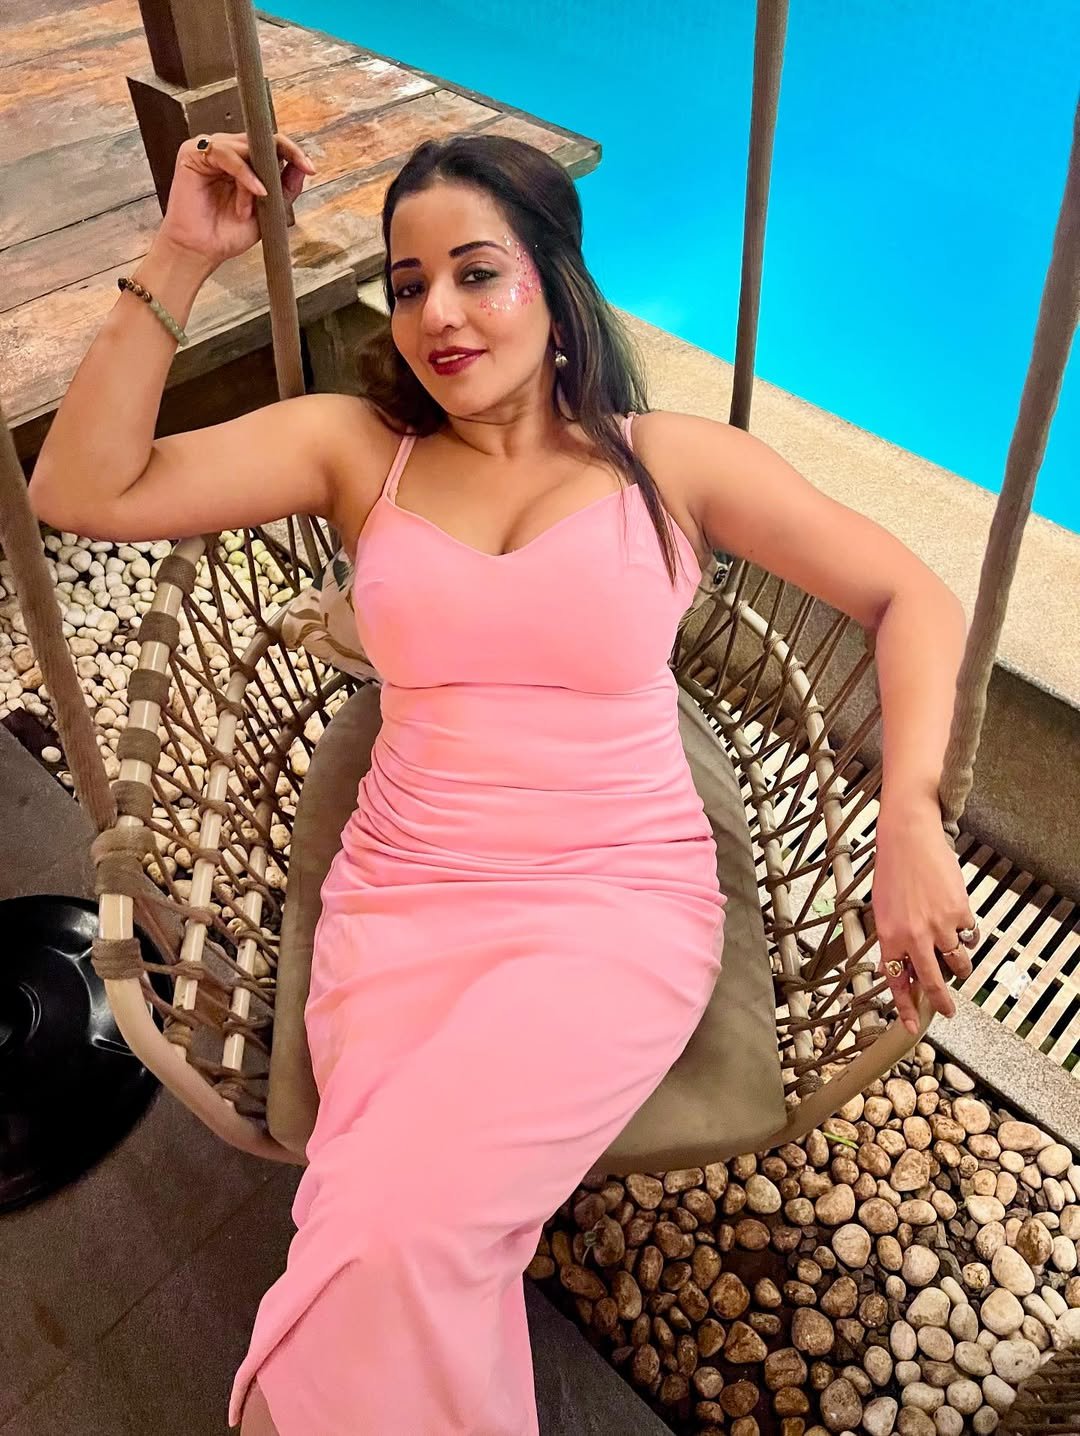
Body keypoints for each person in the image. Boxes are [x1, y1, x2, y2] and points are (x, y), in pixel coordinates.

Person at [29, 129, 979, 1436]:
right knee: (403, 1233)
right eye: (408, 283)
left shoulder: (670, 463)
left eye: (477, 272)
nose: (439, 313)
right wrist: (184, 254)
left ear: (554, 282)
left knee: (392, 1233)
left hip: (613, 908)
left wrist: (909, 814)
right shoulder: (361, 451)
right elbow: (79, 488)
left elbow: (910, 597)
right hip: (401, 904)